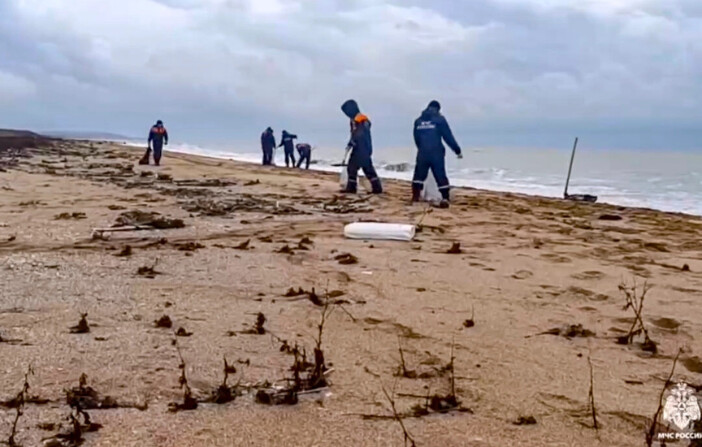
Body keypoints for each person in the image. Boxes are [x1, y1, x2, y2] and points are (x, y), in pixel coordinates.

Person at [411, 100, 462, 208]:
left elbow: (416, 138)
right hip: (436, 152)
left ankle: (415, 197)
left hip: (422, 152)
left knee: (419, 175)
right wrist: (457, 150)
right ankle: (445, 197)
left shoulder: (418, 121)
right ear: (438, 109)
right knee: (440, 175)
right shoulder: (439, 120)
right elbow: (448, 136)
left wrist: (421, 148)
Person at [340, 99, 382, 194]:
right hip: (358, 147)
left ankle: (353, 188)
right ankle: (376, 188)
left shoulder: (362, 119)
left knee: (355, 167)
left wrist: (354, 140)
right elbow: (354, 133)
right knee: (364, 168)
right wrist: (351, 142)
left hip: (363, 147)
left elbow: (361, 132)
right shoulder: (353, 120)